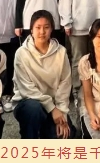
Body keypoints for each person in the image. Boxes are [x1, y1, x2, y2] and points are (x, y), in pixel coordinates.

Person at [12, 10, 75, 139]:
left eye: (46, 27)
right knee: (34, 110)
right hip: (28, 103)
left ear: (52, 29)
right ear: (31, 30)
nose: (42, 32)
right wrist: (52, 109)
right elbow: (27, 89)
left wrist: (61, 113)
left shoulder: (61, 52)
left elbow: (65, 84)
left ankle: (44, 130)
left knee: (63, 135)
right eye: (38, 27)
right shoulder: (21, 54)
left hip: (54, 106)